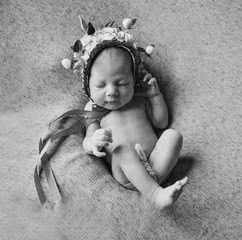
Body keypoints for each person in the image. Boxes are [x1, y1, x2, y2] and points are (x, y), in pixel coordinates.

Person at [64, 18, 188, 208]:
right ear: (87, 86)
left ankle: (153, 182)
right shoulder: (95, 110)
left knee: (173, 136)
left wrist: (155, 96)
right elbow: (87, 141)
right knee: (123, 150)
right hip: (125, 171)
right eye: (100, 85)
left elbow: (161, 123)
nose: (112, 91)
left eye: (122, 83)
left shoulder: (138, 99)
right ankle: (155, 194)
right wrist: (94, 142)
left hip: (155, 163)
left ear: (134, 79)